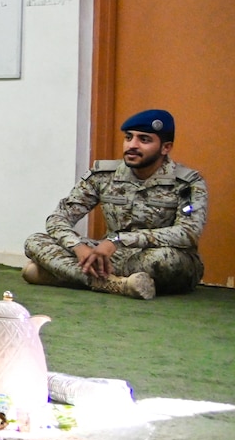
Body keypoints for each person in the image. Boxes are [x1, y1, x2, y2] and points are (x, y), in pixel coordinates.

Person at [24, 109, 208, 299]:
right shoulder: (103, 176)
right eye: (128, 138)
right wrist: (78, 247)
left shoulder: (187, 183)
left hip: (157, 257)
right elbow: (58, 218)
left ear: (165, 148)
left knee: (166, 260)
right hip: (111, 257)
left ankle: (66, 276)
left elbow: (187, 233)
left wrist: (119, 240)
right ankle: (118, 284)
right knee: (35, 241)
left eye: (144, 140)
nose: (132, 145)